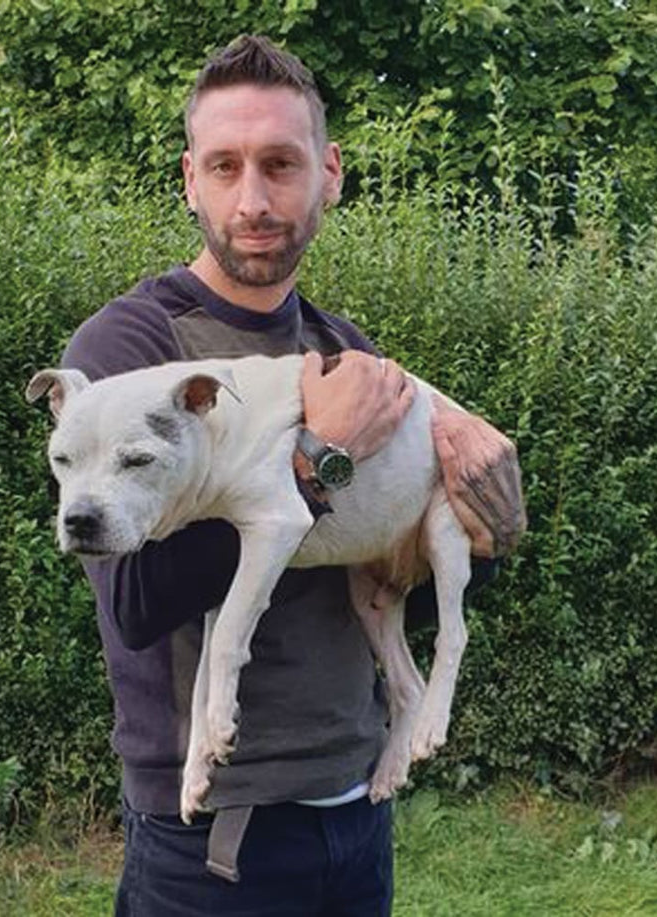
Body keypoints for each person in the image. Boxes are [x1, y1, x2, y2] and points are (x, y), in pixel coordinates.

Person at [58, 34, 526, 916]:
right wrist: (321, 455)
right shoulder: (131, 355)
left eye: (281, 164)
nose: (255, 199)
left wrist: (485, 529)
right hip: (208, 833)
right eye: (226, 166)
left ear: (330, 173)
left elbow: (392, 585)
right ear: (189, 178)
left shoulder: (351, 355)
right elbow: (134, 602)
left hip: (355, 808)